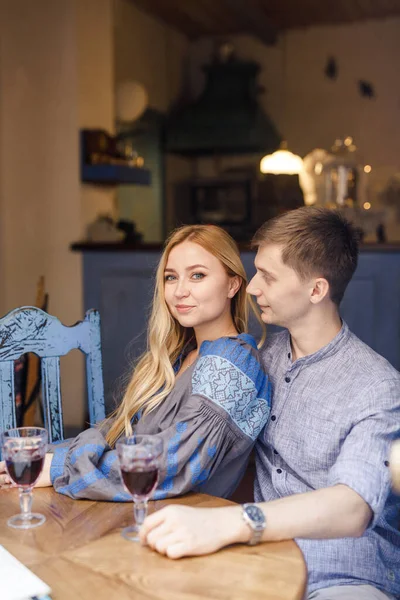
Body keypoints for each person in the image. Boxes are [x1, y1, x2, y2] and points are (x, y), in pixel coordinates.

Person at [140, 207, 400, 600]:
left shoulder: (377, 385)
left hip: (343, 576)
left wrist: (233, 523)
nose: (252, 287)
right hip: (259, 564)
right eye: (256, 271)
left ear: (316, 290)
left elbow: (353, 506)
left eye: (269, 277)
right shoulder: (261, 358)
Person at [0, 225, 271, 501]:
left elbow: (169, 462)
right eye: (171, 277)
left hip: (179, 523)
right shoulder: (180, 357)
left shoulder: (234, 362)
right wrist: (42, 455)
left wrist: (60, 466)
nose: (179, 291)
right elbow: (118, 434)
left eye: (197, 275)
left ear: (233, 284)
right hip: (133, 508)